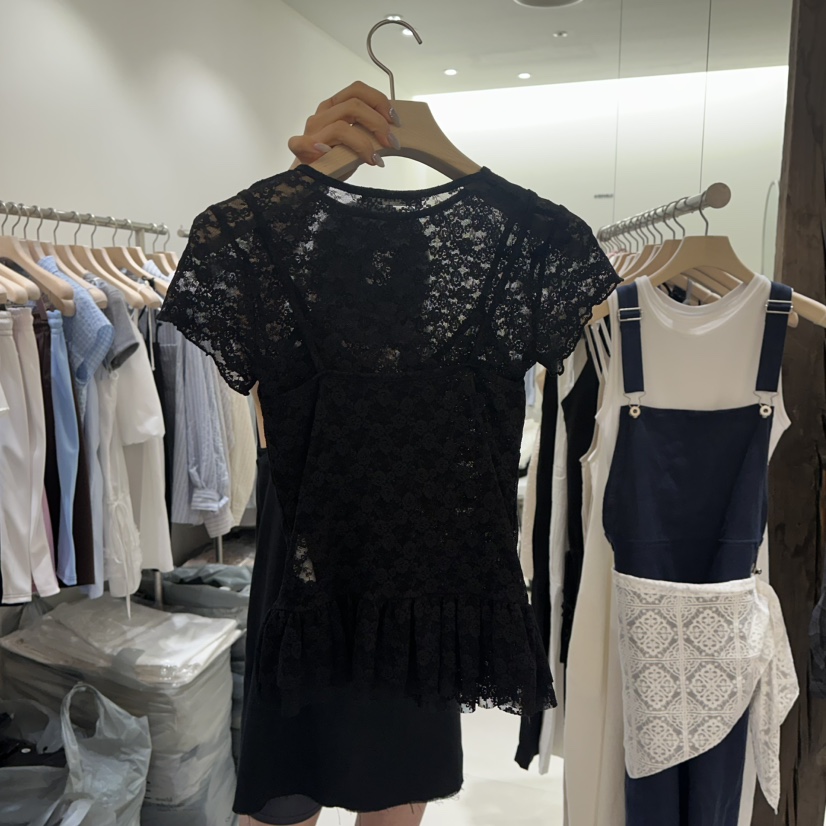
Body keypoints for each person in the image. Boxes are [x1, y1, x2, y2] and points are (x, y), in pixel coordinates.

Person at [243, 82, 436, 826]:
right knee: (286, 786)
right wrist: (300, 191)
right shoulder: (280, 313)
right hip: (310, 567)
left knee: (383, 783)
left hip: (413, 579)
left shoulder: (473, 307)